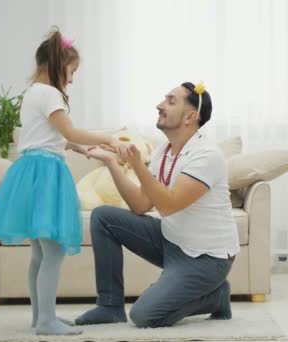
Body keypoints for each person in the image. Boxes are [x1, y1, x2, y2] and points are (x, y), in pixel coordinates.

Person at [0, 28, 122, 336]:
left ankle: (40, 316)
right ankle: (46, 321)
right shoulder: (51, 94)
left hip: (30, 172)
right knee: (54, 252)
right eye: (71, 71)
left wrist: (81, 148)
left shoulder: (33, 92)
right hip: (46, 175)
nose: (71, 79)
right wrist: (107, 137)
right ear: (59, 65)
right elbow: (68, 131)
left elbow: (47, 137)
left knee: (40, 254)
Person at [75, 81, 239, 328]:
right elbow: (141, 205)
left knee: (144, 315)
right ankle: (109, 306)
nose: (159, 105)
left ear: (191, 116)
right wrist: (111, 161)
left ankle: (216, 296)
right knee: (103, 217)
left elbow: (168, 205)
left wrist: (137, 164)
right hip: (170, 241)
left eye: (171, 101)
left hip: (206, 259)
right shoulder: (166, 150)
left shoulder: (207, 155)